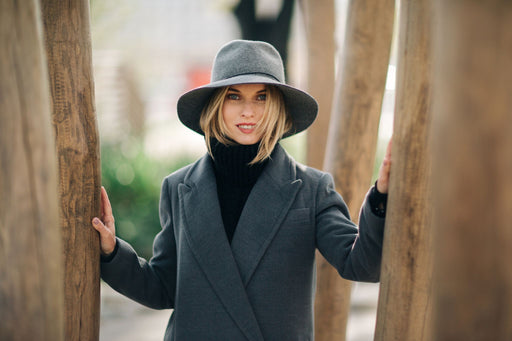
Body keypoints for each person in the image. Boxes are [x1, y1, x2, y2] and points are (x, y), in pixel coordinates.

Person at [92, 40, 392, 341]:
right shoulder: (178, 187)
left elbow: (361, 264)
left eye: (261, 97)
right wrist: (113, 251)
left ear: (277, 106)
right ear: (215, 104)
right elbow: (162, 288)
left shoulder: (312, 190)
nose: (248, 111)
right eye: (234, 96)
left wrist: (380, 198)